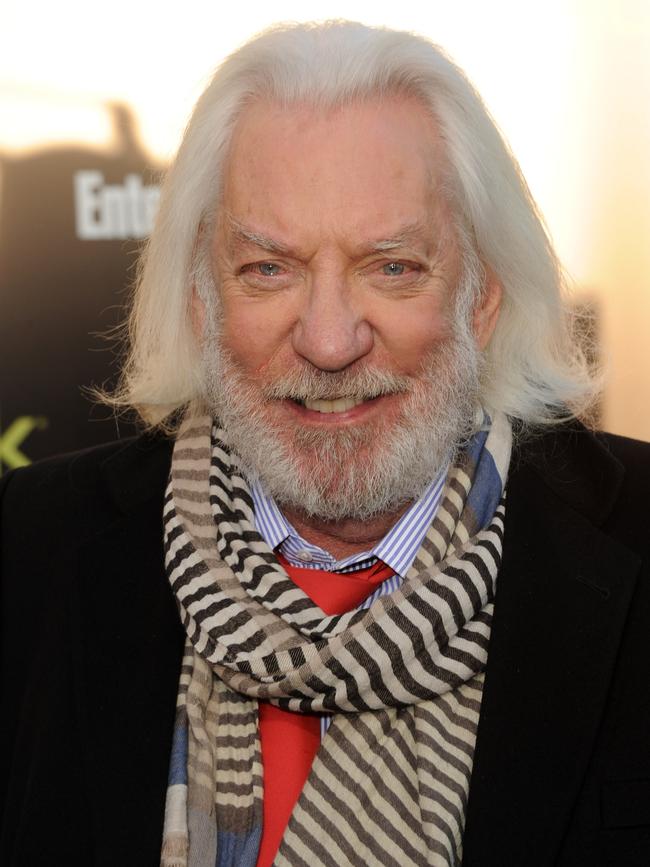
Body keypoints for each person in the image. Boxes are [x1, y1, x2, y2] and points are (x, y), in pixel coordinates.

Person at [1, 21, 648, 867]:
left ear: (482, 299)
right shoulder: (28, 550)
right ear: (201, 301)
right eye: (270, 268)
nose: (331, 340)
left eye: (392, 266)